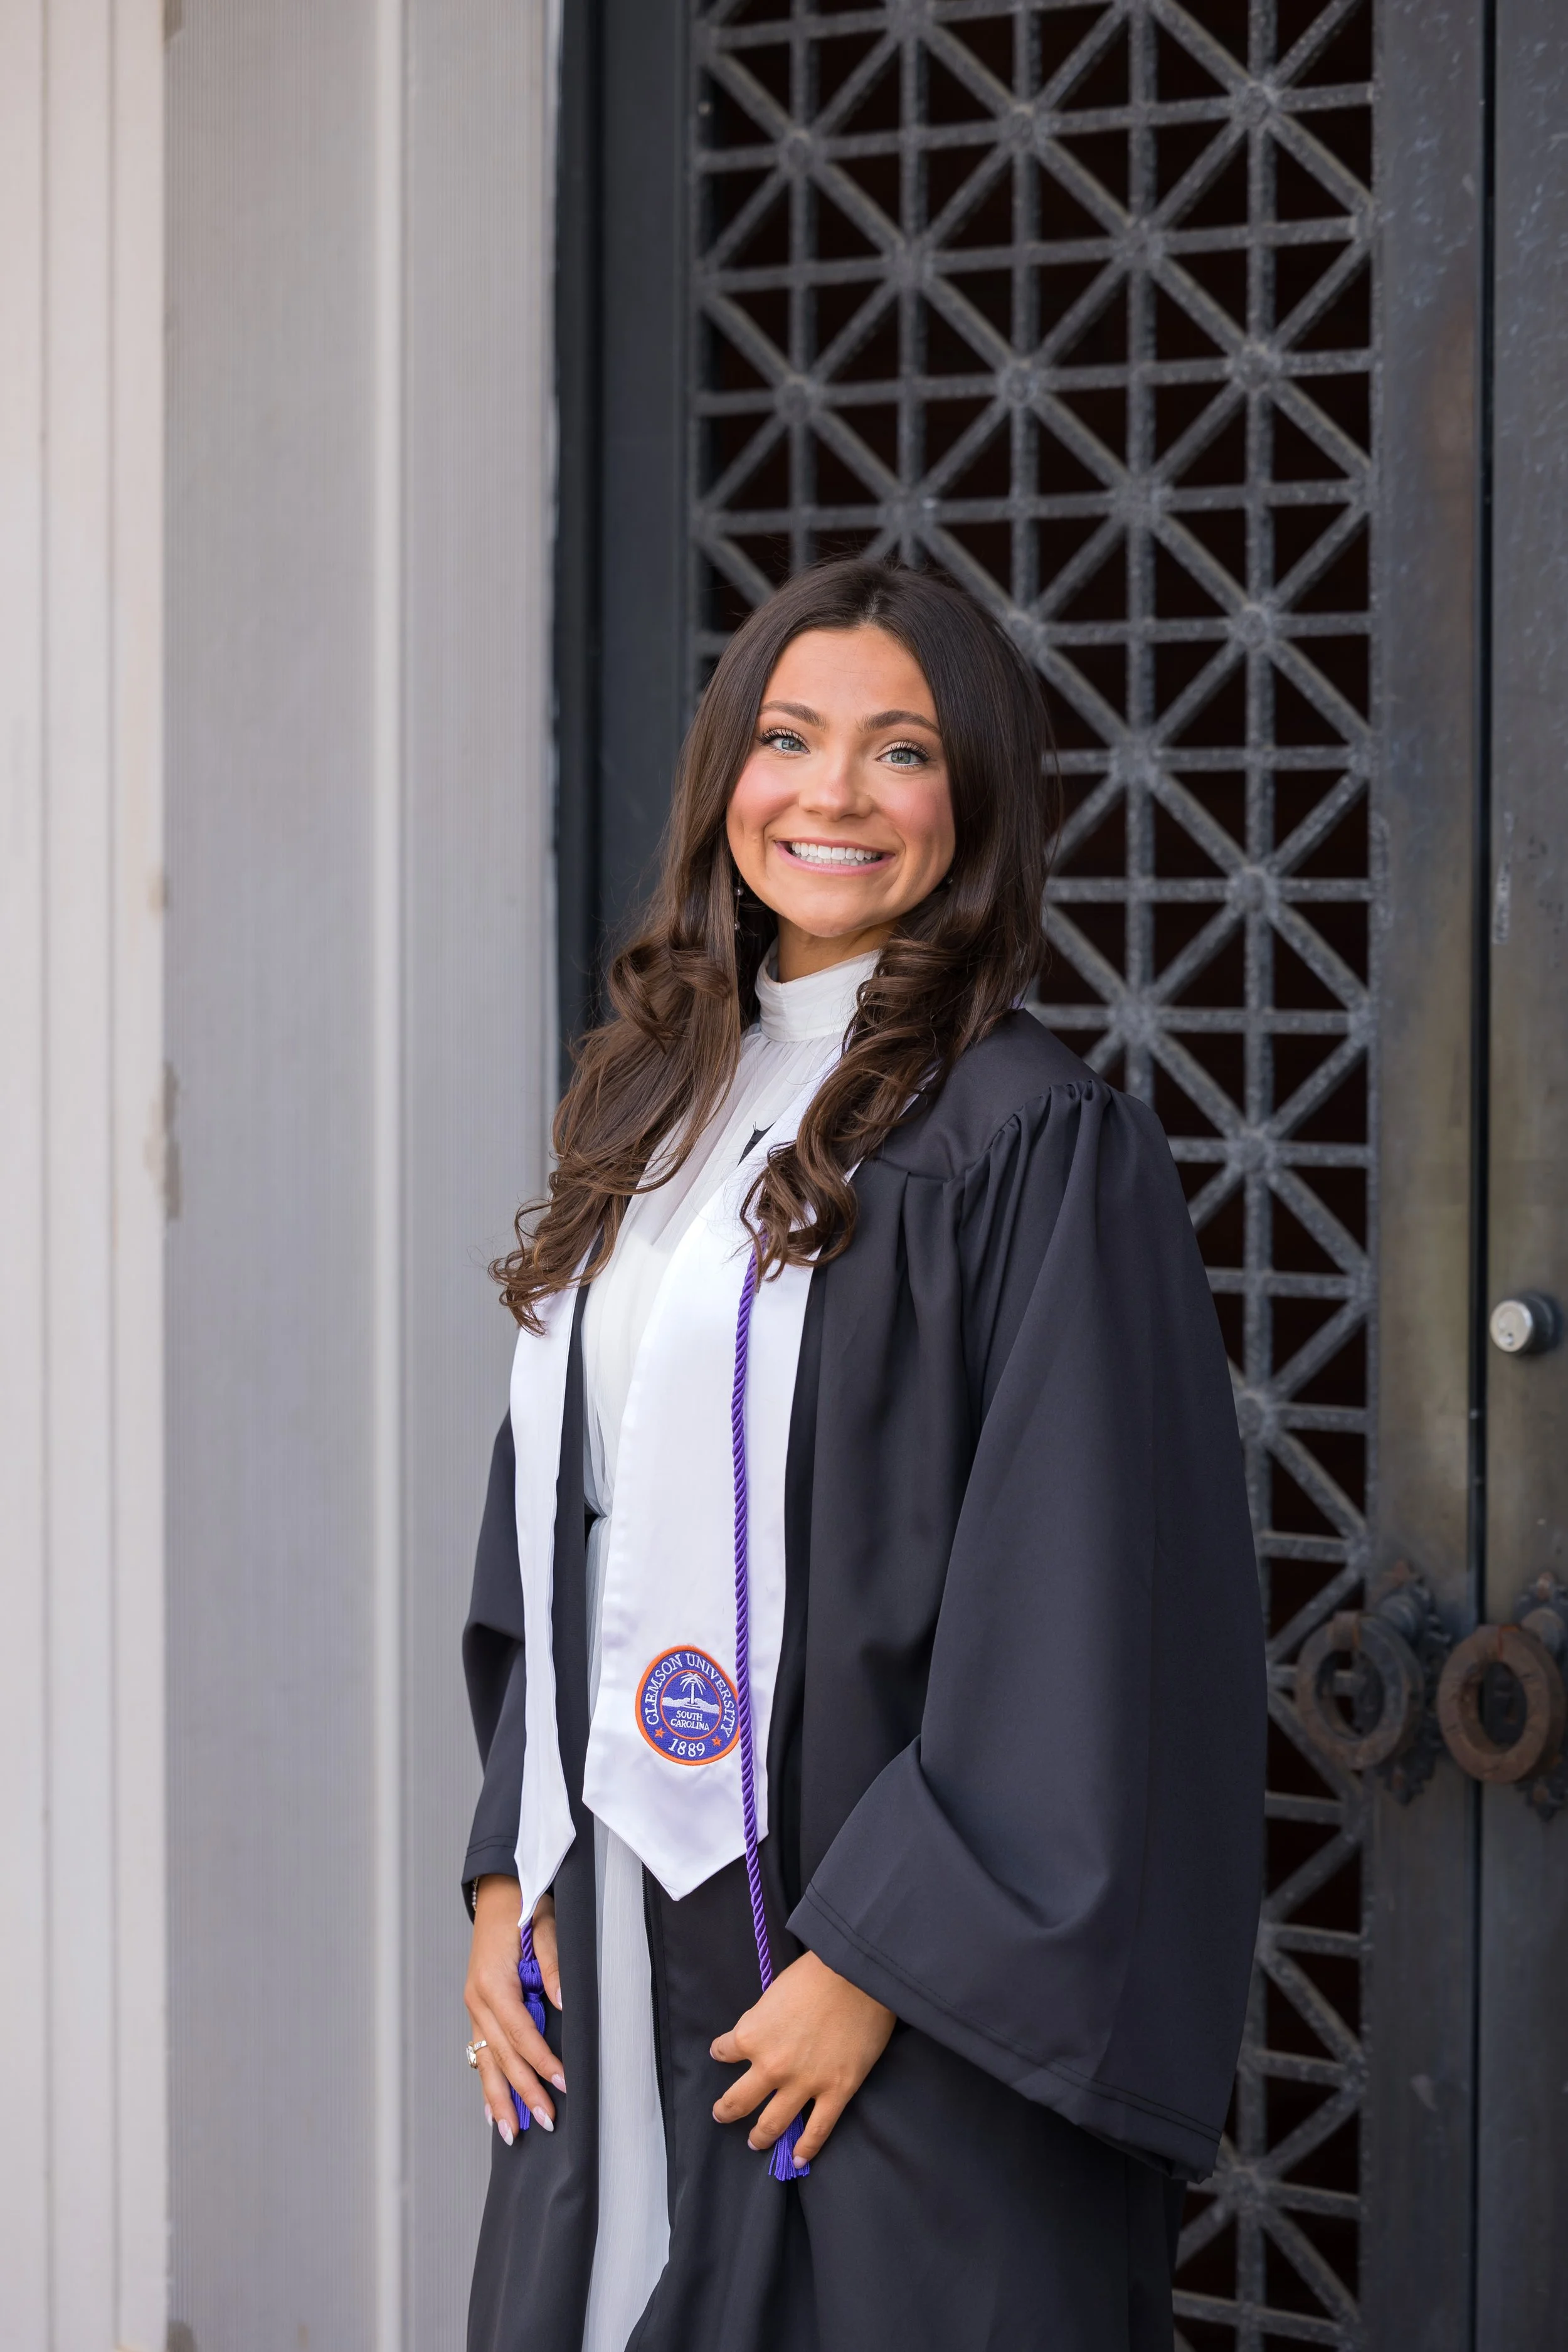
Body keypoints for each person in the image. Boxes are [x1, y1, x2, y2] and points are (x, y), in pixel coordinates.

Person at [459, 559, 1264, 2352]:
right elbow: (556, 1517)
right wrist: (509, 1857)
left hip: (878, 1996)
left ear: (969, 800)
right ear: (721, 778)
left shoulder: (1031, 1140)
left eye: (897, 750)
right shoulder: (648, 1107)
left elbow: (1082, 1614)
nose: (829, 794)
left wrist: (876, 1964)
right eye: (788, 737)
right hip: (617, 1934)